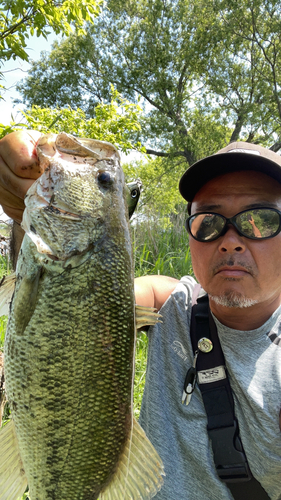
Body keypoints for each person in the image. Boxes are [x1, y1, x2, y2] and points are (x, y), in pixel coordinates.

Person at [1, 132, 281, 499]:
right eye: (209, 221)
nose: (230, 239)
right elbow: (89, 295)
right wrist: (24, 211)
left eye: (261, 219)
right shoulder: (175, 304)